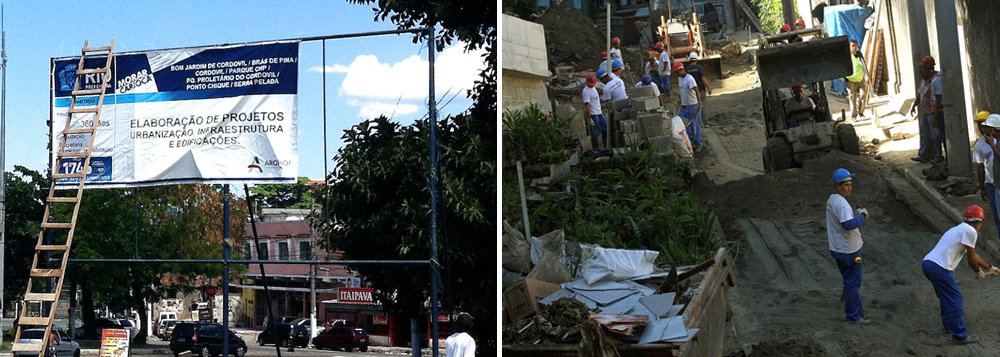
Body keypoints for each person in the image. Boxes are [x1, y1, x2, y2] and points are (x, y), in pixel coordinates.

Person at [922, 205, 1000, 345]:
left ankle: (948, 326)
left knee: (947, 298)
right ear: (979, 222)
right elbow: (971, 259)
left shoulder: (960, 228)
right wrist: (978, 272)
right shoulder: (971, 231)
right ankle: (959, 335)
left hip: (929, 264)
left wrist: (990, 267)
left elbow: (974, 255)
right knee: (955, 299)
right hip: (940, 267)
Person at [826, 168, 870, 325]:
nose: (849, 187)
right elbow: (848, 224)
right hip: (849, 250)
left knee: (848, 279)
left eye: (850, 184)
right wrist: (863, 217)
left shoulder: (832, 199)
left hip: (838, 249)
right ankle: (853, 315)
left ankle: (852, 305)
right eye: (845, 185)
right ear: (837, 186)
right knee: (853, 283)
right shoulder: (842, 205)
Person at [909, 55, 944, 163]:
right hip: (925, 112)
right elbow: (920, 95)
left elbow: (938, 98)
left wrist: (935, 115)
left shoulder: (936, 80)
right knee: (925, 135)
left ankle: (938, 156)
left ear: (927, 69)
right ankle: (923, 155)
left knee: (935, 135)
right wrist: (914, 105)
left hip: (932, 112)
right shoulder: (924, 81)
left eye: (922, 70)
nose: (920, 73)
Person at [974, 112, 1000, 239]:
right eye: (980, 125)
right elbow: (980, 168)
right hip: (993, 183)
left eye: (986, 126)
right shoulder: (980, 145)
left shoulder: (996, 140)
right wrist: (982, 187)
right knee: (997, 214)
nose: (983, 128)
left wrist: (992, 144)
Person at [675, 61, 703, 152]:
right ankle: (691, 141)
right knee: (684, 125)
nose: (676, 74)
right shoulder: (680, 79)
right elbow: (682, 91)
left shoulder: (690, 79)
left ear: (681, 70)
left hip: (693, 105)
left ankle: (699, 143)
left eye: (677, 72)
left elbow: (697, 90)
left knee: (696, 125)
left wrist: (699, 103)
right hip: (684, 106)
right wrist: (680, 101)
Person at [583, 72, 608, 149]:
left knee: (605, 128)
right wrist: (589, 118)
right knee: (596, 132)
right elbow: (587, 105)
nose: (592, 85)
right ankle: (596, 148)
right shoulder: (586, 91)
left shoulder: (593, 88)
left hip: (599, 112)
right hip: (593, 114)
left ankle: (605, 145)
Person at [845, 39, 867, 120]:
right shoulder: (847, 56)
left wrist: (866, 76)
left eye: (856, 45)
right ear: (849, 47)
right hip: (851, 81)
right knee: (853, 99)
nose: (855, 47)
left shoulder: (859, 54)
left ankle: (861, 113)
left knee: (863, 95)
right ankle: (854, 115)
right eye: (853, 46)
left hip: (861, 80)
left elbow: (863, 64)